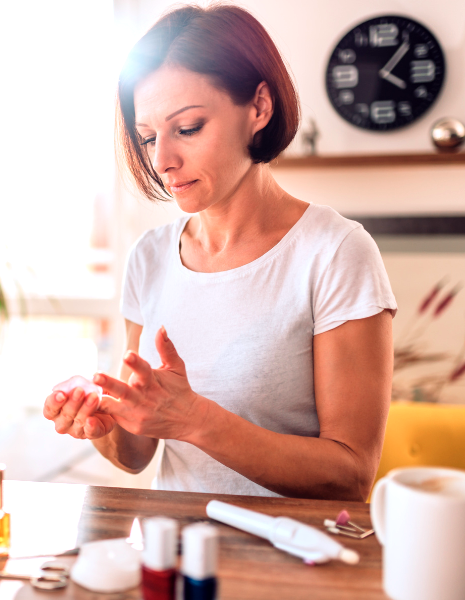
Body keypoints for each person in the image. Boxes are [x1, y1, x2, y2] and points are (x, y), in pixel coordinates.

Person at [42, 4, 396, 501]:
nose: (162, 160)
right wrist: (102, 421)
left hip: (294, 564)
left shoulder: (336, 253)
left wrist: (196, 419)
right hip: (175, 557)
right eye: (147, 138)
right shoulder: (150, 257)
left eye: (187, 128)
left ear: (259, 108)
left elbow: (352, 473)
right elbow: (137, 453)